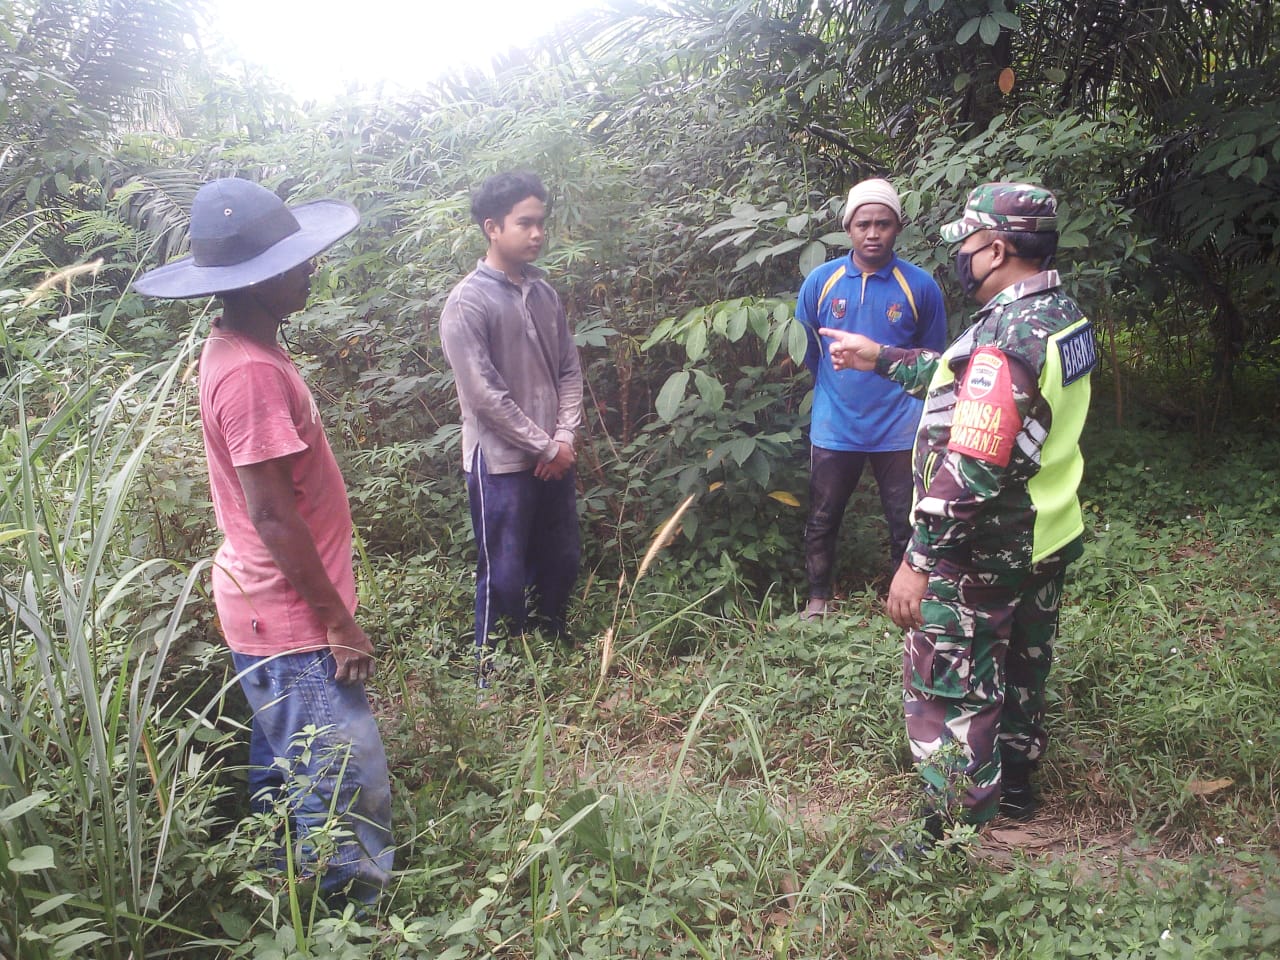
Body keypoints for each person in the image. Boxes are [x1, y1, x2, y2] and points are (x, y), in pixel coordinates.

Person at [134, 177, 393, 904]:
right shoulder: (249, 371)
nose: (311, 267)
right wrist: (339, 624)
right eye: (296, 260)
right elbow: (274, 516)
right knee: (345, 790)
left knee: (287, 772)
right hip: (290, 621)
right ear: (257, 281)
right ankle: (349, 925)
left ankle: (274, 905)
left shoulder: (241, 350)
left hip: (268, 611)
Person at [820, 182, 1097, 834]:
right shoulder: (1060, 316)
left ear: (997, 248)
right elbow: (965, 376)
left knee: (948, 688)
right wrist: (884, 357)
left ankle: (950, 832)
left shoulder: (1006, 337)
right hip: (1043, 536)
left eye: (968, 245)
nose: (962, 257)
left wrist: (918, 560)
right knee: (1022, 666)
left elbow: (972, 464)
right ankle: (1018, 788)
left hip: (981, 547)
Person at [439, 171, 584, 686]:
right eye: (525, 223)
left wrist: (563, 438)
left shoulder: (545, 293)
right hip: (500, 462)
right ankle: (490, 672)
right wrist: (544, 444)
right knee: (502, 571)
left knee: (561, 558)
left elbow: (569, 369)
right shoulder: (467, 302)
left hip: (553, 458)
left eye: (541, 223)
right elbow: (483, 395)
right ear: (492, 227)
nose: (538, 234)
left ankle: (551, 650)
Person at [794, 177, 947, 620]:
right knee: (823, 516)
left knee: (906, 519)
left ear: (898, 226)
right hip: (835, 424)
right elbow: (808, 349)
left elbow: (933, 358)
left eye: (883, 223)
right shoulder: (820, 282)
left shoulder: (919, 286)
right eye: (864, 224)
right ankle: (818, 598)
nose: (873, 233)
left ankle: (905, 600)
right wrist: (835, 390)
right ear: (848, 229)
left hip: (899, 427)